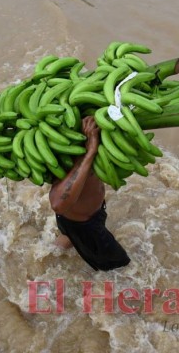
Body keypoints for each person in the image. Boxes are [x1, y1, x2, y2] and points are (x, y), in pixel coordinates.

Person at [49, 116, 131, 271]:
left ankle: (51, 253)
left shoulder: (91, 137)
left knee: (68, 237)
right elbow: (58, 204)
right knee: (119, 266)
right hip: (84, 226)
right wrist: (90, 152)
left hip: (86, 216)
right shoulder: (68, 151)